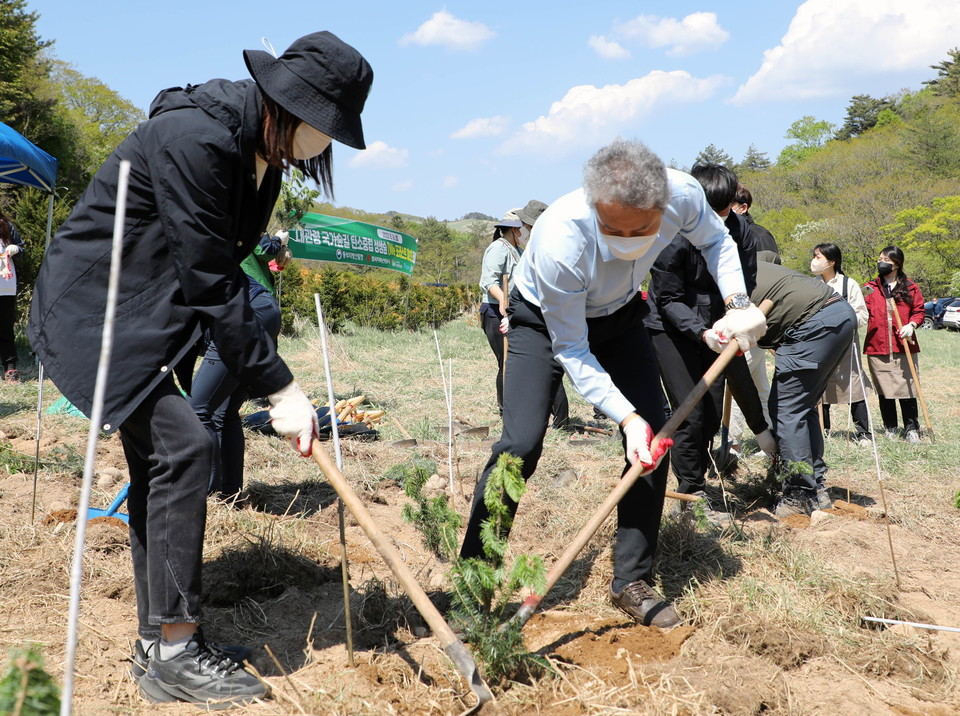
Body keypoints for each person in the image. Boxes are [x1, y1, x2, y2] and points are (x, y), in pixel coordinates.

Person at [28, 32, 373, 707]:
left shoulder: (262, 160)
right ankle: (178, 652)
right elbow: (213, 279)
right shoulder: (196, 138)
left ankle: (162, 644)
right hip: (97, 313)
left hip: (149, 316)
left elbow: (212, 276)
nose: (321, 145)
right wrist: (281, 387)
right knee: (186, 449)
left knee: (163, 464)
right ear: (285, 102)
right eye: (321, 127)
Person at [459, 139, 766, 628]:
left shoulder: (683, 193)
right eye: (613, 228)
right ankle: (474, 576)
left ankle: (631, 581)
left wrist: (736, 302)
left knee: (654, 437)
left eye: (641, 228)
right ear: (593, 203)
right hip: (544, 322)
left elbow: (716, 240)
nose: (627, 238)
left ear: (662, 204)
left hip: (622, 316)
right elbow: (573, 348)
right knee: (520, 443)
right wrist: (623, 418)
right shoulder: (563, 238)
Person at [645, 164, 775, 520]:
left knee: (712, 412)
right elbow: (669, 298)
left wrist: (734, 316)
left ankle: (696, 478)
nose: (719, 218)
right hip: (671, 327)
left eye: (725, 209)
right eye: (712, 209)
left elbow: (743, 280)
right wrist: (701, 331)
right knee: (690, 411)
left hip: (718, 326)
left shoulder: (741, 231)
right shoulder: (671, 232)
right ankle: (691, 497)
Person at [713, 261, 857, 518]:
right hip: (838, 313)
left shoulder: (720, 289)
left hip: (812, 322)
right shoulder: (742, 262)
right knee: (801, 407)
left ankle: (799, 495)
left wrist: (760, 430)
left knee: (786, 410)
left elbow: (737, 375)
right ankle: (816, 487)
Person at [189, 232, 285, 498]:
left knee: (197, 409)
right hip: (263, 309)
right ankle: (229, 494)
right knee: (224, 411)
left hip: (243, 314)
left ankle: (205, 496)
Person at [478, 203, 568, 427]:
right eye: (524, 227)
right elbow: (489, 281)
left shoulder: (518, 250)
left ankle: (550, 415)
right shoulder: (499, 248)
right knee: (506, 362)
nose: (526, 231)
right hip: (496, 311)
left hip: (515, 310)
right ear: (514, 228)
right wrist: (503, 300)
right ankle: (505, 410)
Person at [809, 243, 873, 445]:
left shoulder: (849, 284)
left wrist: (841, 317)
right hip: (820, 345)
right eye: (814, 256)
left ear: (831, 262)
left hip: (846, 344)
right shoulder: (811, 285)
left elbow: (862, 315)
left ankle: (863, 433)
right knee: (820, 387)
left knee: (853, 384)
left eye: (818, 257)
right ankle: (822, 430)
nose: (814, 260)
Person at [862, 245, 925, 443]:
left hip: (902, 345)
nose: (881, 263)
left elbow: (919, 311)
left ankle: (912, 428)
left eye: (886, 260)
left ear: (896, 265)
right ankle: (890, 426)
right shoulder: (870, 287)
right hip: (877, 345)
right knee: (884, 388)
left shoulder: (910, 287)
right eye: (880, 259)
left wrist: (912, 325)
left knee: (907, 387)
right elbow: (860, 309)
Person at [0, 207, 25, 383]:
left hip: (4, 285)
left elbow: (22, 250)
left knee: (5, 327)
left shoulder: (7, 226)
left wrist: (16, 249)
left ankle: (10, 368)